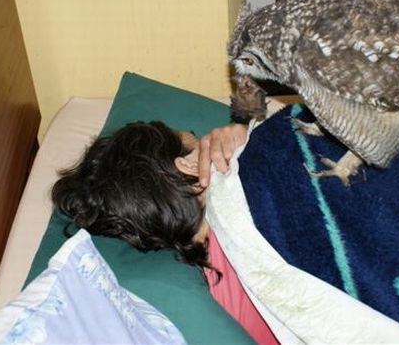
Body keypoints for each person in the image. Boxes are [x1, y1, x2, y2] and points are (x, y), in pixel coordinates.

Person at [51, 120, 277, 343]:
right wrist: (254, 141)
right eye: (196, 139)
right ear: (190, 167)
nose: (208, 141)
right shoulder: (251, 205)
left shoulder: (210, 284)